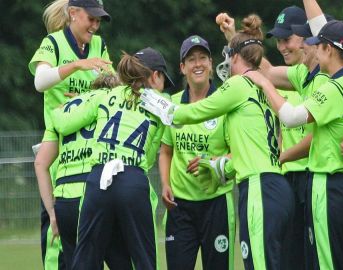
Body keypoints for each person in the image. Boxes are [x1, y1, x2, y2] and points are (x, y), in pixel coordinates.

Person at [141, 15, 295, 270]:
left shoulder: (238, 85)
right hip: (275, 186)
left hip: (258, 187)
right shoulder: (262, 85)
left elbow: (189, 113)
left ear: (234, 57)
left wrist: (151, 97)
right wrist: (221, 164)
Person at [244, 19, 343, 270]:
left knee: (325, 263)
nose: (313, 50)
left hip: (328, 182)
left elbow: (290, 118)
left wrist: (265, 85)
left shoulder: (333, 88)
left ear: (328, 50)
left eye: (317, 46)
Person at [52, 47, 174, 270]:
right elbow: (148, 155)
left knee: (85, 257)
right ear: (155, 76)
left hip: (98, 179)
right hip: (133, 179)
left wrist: (63, 107)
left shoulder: (105, 95)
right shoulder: (159, 104)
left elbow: (63, 123)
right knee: (144, 259)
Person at [28, 0, 112, 268]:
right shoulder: (53, 43)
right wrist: (77, 65)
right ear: (73, 14)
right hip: (59, 152)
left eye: (99, 20)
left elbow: (112, 87)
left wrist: (85, 99)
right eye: (91, 18)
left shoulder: (99, 46)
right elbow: (40, 82)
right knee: (57, 243)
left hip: (91, 154)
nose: (95, 26)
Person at [159, 35, 236, 270]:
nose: (198, 64)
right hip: (180, 208)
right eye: (191, 60)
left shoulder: (226, 102)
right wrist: (164, 184)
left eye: (203, 58)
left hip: (217, 204)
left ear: (211, 63)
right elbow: (165, 151)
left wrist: (213, 163)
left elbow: (238, 152)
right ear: (182, 67)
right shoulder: (172, 105)